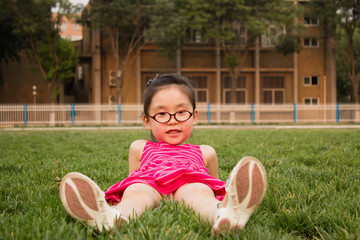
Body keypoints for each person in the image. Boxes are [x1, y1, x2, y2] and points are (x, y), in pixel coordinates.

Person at [59, 73, 267, 236]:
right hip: (150, 183)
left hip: (188, 183)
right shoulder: (139, 147)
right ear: (147, 121)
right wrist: (138, 189)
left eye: (181, 112)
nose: (172, 120)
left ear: (194, 117)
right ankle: (113, 217)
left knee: (199, 193)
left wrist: (221, 196)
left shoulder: (205, 151)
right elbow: (133, 178)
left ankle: (223, 214)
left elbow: (213, 184)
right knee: (137, 192)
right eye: (161, 114)